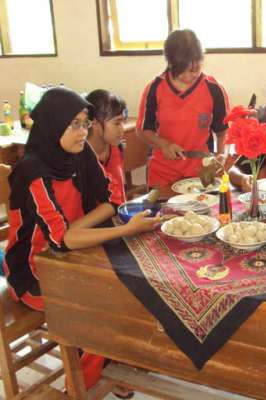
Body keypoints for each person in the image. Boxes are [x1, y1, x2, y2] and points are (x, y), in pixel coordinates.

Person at [2, 87, 161, 392]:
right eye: (73, 124)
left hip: (75, 250)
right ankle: (81, 387)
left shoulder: (80, 152)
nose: (82, 132)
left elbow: (112, 199)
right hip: (35, 270)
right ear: (53, 124)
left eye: (84, 123)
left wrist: (74, 228)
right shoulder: (33, 173)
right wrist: (122, 230)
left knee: (132, 279)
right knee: (96, 304)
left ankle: (117, 360)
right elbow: (60, 241)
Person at [136, 29, 230, 189]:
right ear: (170, 63)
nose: (187, 76)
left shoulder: (214, 89)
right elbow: (143, 130)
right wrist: (163, 144)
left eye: (194, 70)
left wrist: (222, 156)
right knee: (162, 206)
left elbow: (223, 132)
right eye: (180, 71)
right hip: (163, 172)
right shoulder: (155, 88)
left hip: (201, 172)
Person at [86, 89, 127, 205]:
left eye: (123, 122)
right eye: (117, 123)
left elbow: (121, 196)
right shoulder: (80, 157)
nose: (122, 129)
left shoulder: (116, 148)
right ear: (95, 124)